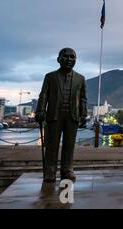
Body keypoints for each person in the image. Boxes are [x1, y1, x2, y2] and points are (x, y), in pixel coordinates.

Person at [35, 48, 87, 183]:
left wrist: (84, 114)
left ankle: (67, 170)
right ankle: (50, 171)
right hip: (54, 115)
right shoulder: (50, 76)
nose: (69, 60)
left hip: (72, 116)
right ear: (58, 59)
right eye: (66, 57)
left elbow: (83, 98)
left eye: (72, 57)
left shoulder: (80, 78)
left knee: (69, 145)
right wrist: (40, 110)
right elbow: (44, 94)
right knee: (52, 144)